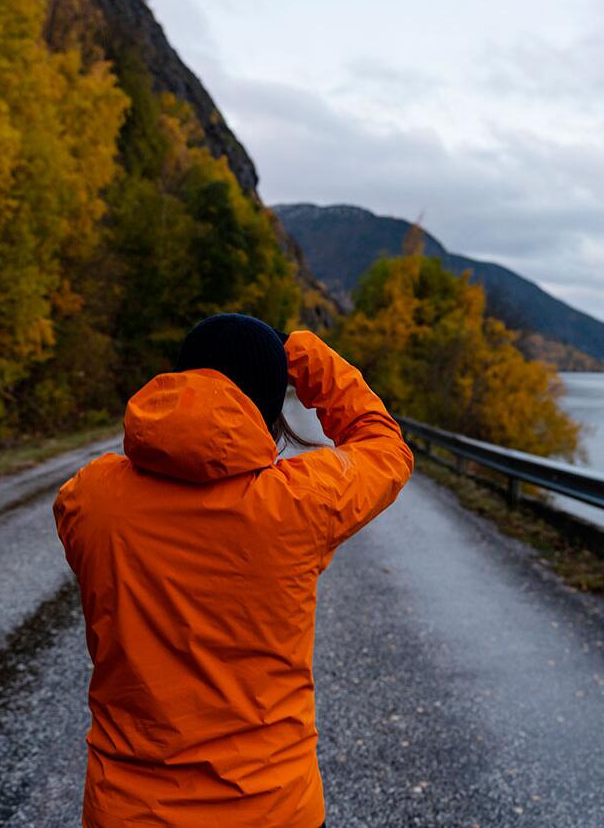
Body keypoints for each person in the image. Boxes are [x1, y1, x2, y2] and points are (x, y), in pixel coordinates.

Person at [53, 313, 414, 827]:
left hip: (128, 811)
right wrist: (307, 356)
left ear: (177, 381)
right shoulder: (300, 502)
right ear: (267, 404)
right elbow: (385, 446)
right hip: (275, 808)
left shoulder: (91, 499)